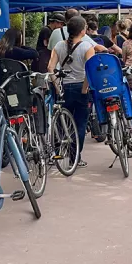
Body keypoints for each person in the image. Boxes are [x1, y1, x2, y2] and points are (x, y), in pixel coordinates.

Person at [49, 16, 95, 168]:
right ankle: (75, 157)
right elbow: (90, 69)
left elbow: (51, 67)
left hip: (63, 87)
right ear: (83, 31)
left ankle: (60, 151)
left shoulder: (58, 46)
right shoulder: (87, 47)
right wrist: (84, 88)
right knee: (80, 124)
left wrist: (57, 86)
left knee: (63, 122)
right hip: (80, 87)